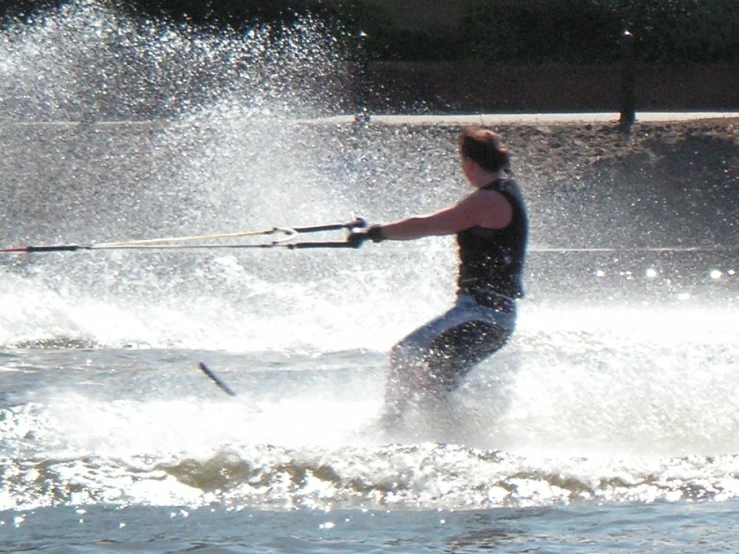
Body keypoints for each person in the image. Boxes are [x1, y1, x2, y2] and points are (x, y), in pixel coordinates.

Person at [349, 126, 529, 426]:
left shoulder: (489, 200)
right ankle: (453, 436)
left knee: (406, 354)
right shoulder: (505, 191)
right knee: (433, 384)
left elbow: (425, 225)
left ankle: (387, 428)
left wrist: (375, 233)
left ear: (470, 163)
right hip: (492, 317)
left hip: (483, 315)